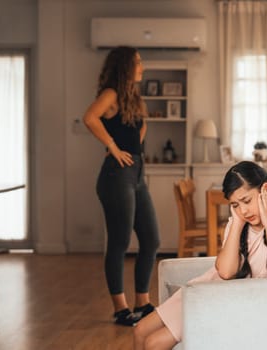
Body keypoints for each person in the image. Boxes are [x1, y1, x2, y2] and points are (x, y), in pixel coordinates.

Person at [133, 161, 267, 349]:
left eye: (246, 201)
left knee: (153, 343)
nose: (243, 211)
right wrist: (238, 224)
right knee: (139, 330)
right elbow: (224, 271)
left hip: (223, 298)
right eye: (235, 205)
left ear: (265, 189)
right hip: (207, 287)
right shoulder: (238, 222)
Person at [83, 46, 160, 326]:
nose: (142, 66)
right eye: (138, 62)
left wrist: (133, 147)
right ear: (125, 66)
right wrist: (112, 146)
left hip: (136, 175)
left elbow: (140, 129)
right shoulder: (111, 93)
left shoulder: (133, 97)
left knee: (151, 239)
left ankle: (143, 302)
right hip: (116, 177)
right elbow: (90, 117)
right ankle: (120, 309)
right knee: (120, 241)